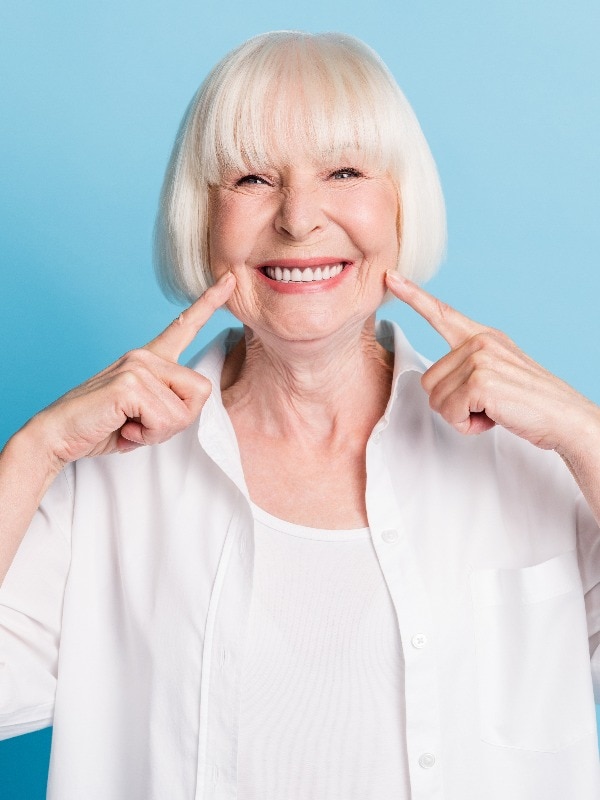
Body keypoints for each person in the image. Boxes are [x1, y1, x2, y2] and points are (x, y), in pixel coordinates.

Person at [0, 30, 599, 800]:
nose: (299, 218)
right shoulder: (101, 491)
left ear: (401, 207)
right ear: (202, 218)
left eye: (344, 170)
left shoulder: (532, 462)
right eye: (252, 178)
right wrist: (33, 449)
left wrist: (586, 434)